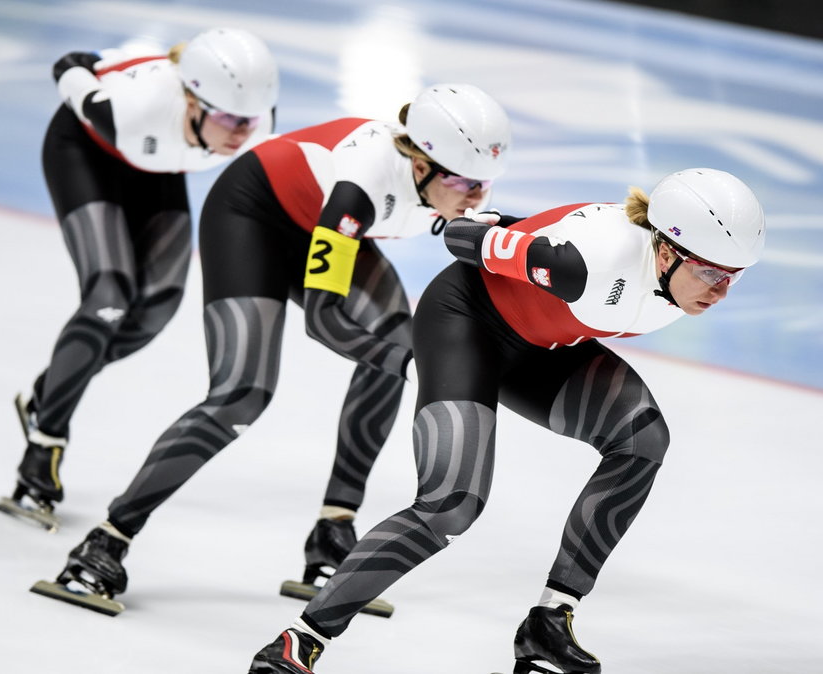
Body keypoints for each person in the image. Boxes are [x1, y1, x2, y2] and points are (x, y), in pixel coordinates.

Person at [247, 168, 767, 673]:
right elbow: (462, 235)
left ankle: (549, 621)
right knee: (450, 505)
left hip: (542, 345)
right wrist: (507, 231)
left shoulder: (674, 277)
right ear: (665, 250)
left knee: (642, 440)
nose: (721, 292)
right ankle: (297, 643)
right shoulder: (585, 263)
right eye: (710, 273)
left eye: (733, 277)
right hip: (465, 327)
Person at [33, 83, 513, 613]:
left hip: (322, 226)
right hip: (253, 218)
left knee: (397, 341)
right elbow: (325, 322)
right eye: (464, 181)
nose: (475, 196)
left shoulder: (455, 187)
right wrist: (413, 363)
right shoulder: (364, 179)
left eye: (485, 183)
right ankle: (106, 540)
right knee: (242, 393)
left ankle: (333, 532)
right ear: (419, 164)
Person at [0, 29, 280, 531]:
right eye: (229, 118)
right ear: (191, 100)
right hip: (87, 152)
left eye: (249, 120)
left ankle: (48, 393)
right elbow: (67, 63)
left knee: (159, 305)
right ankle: (44, 447)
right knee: (109, 294)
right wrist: (94, 60)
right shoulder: (131, 106)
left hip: (159, 164)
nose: (240, 132)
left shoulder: (257, 122)